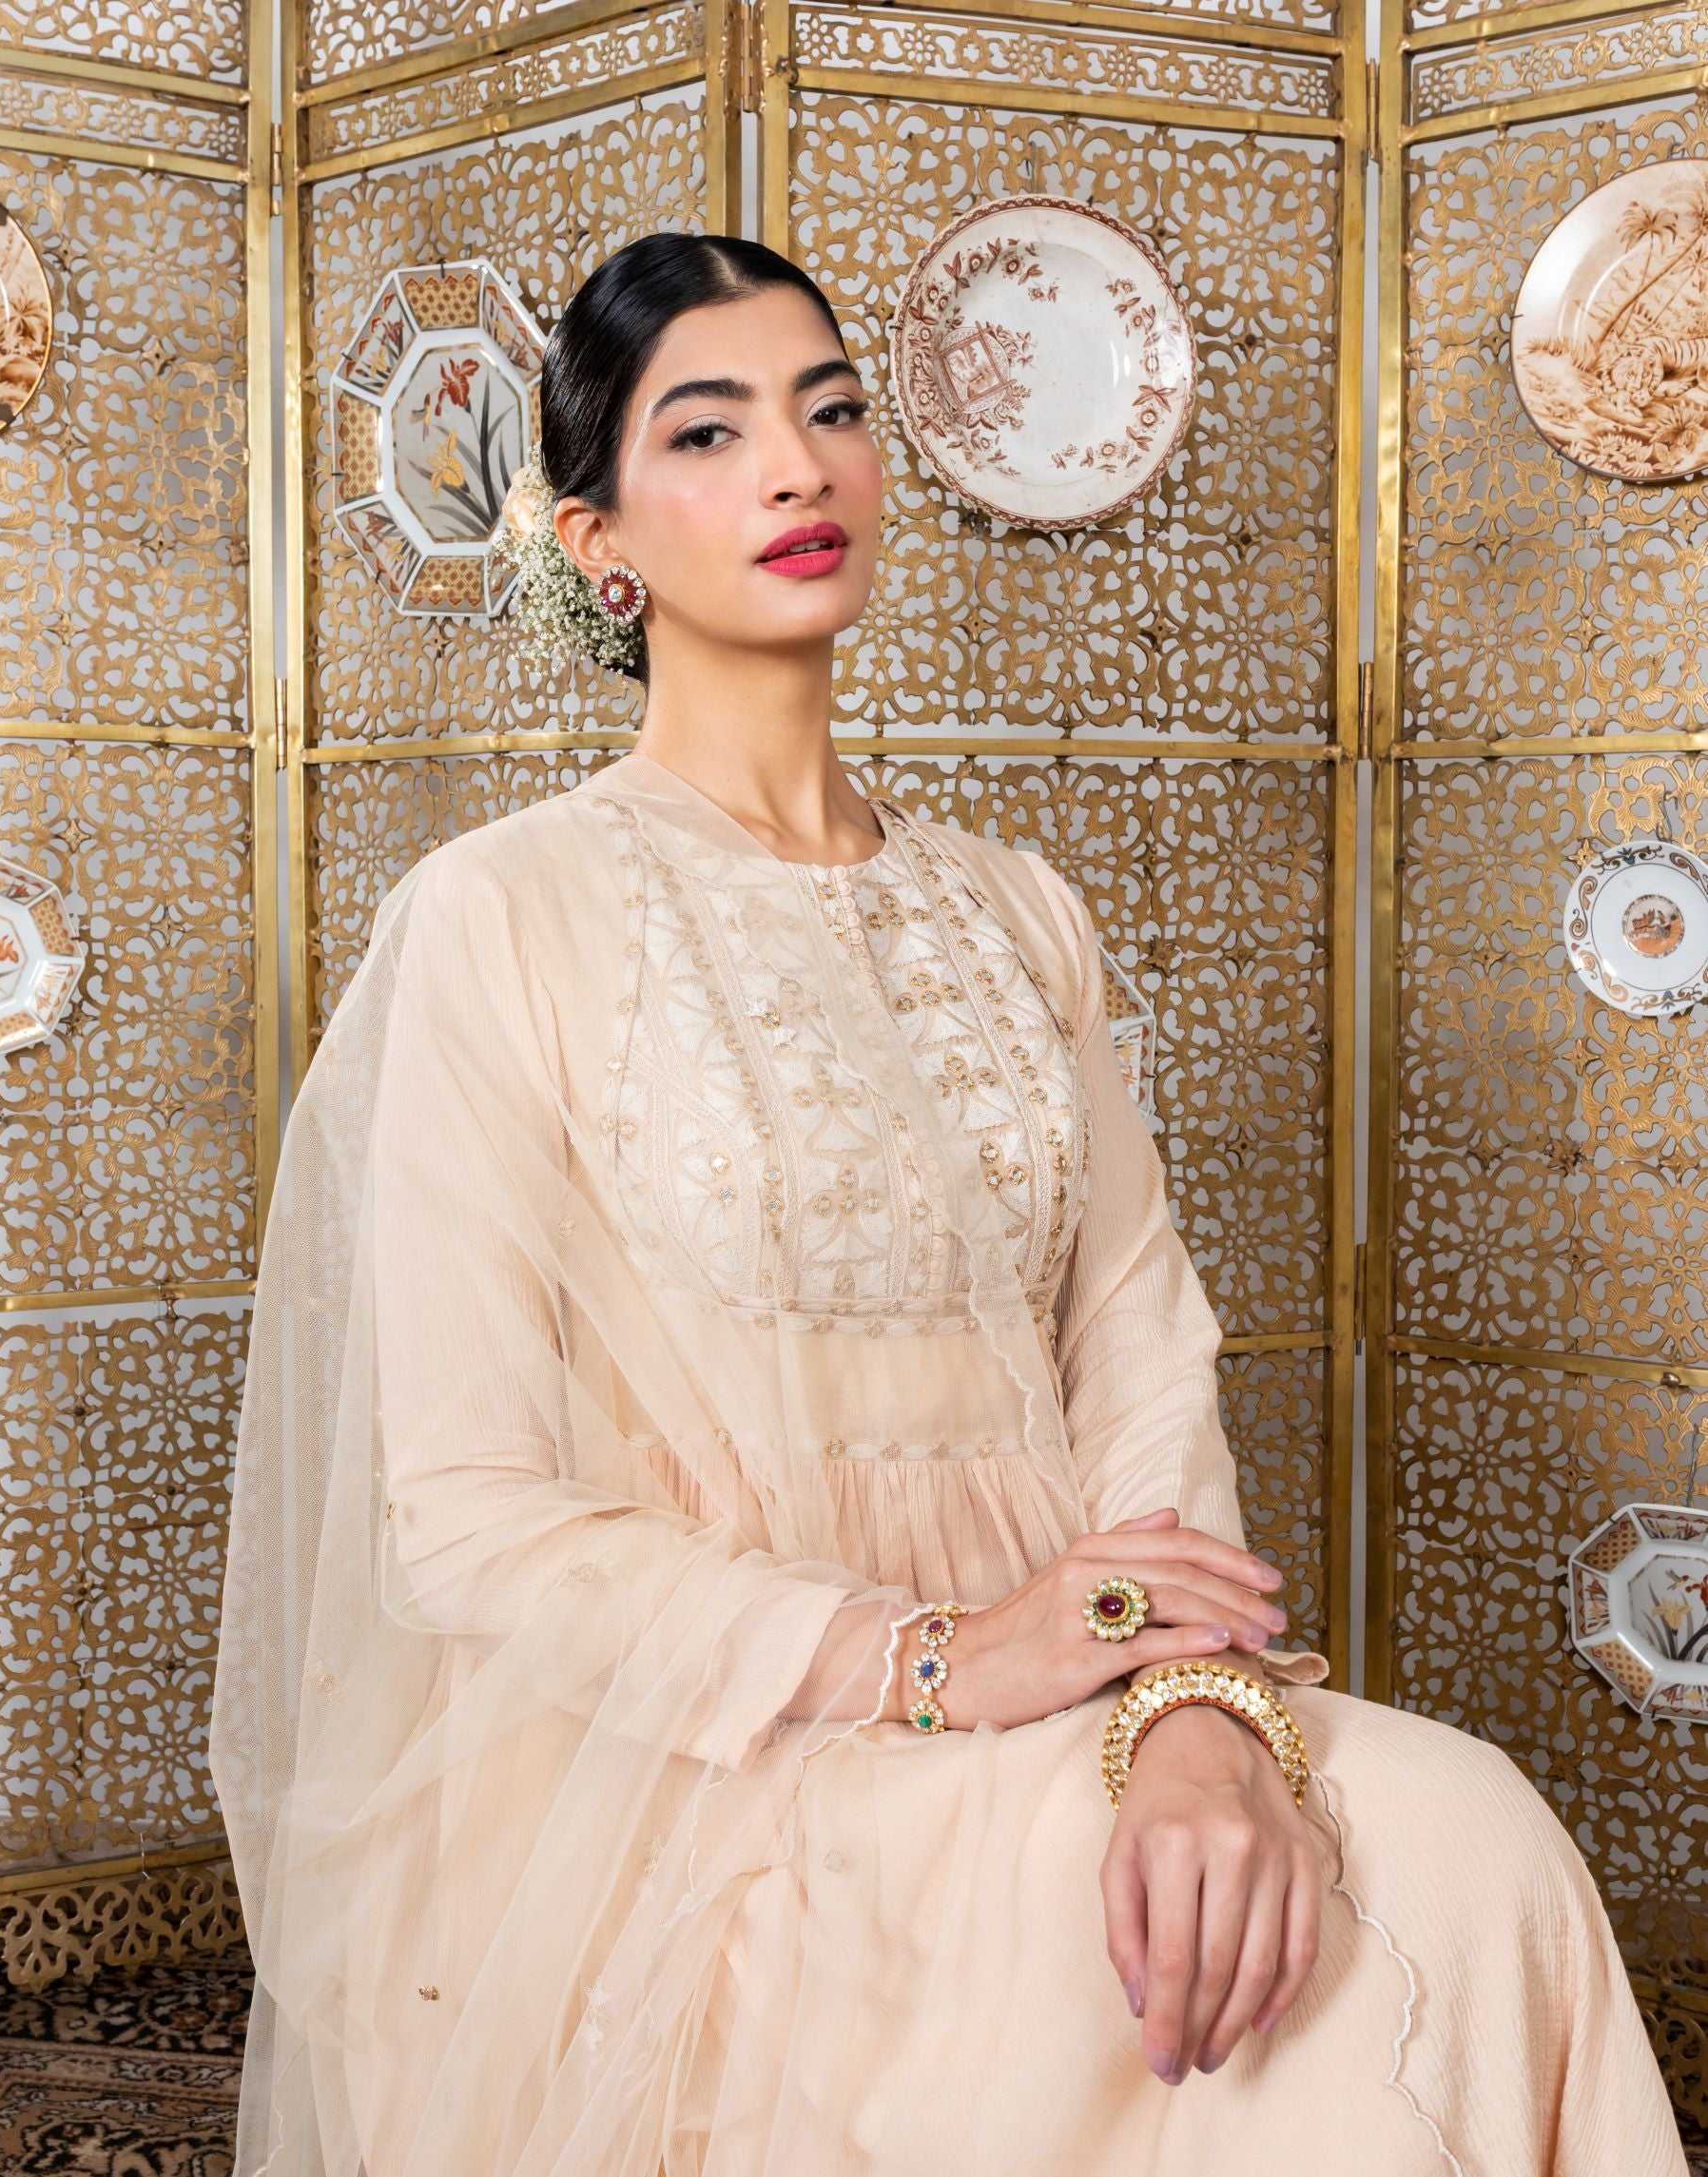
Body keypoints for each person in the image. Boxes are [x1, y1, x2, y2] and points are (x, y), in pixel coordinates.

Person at [208, 231, 1687, 2177]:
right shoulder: (501, 917)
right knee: (1327, 1936)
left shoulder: (1015, 907)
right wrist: (931, 1659)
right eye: (710, 430)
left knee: (1463, 1825)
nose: (797, 465)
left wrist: (1187, 1703)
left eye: (830, 410)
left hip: (1084, 1661)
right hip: (709, 1745)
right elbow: (470, 1517)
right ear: (597, 539)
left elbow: (1138, 1346)